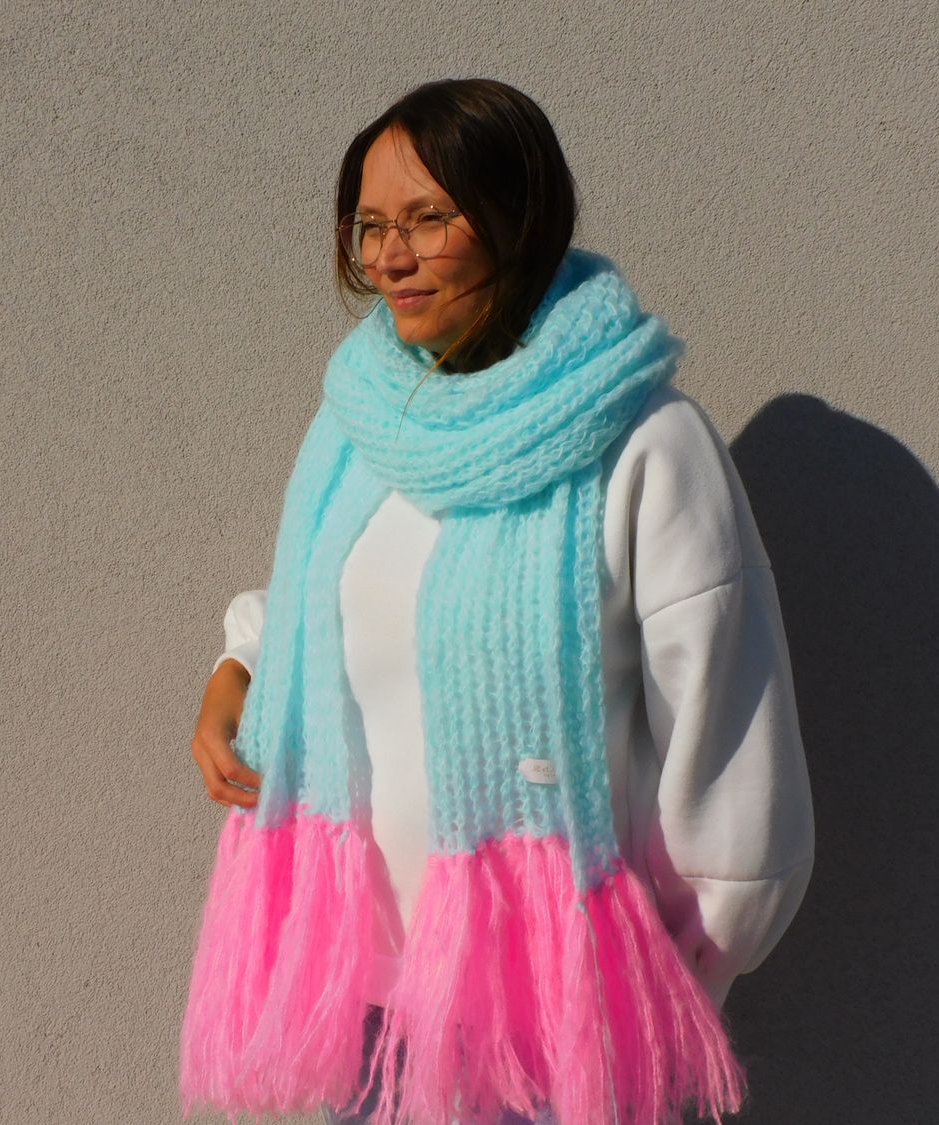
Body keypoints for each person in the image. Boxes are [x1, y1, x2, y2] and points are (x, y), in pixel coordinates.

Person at [181, 78, 815, 1125]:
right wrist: (237, 670)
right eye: (370, 227)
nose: (391, 257)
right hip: (366, 1005)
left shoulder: (644, 444)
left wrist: (652, 998)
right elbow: (326, 603)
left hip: (552, 1028)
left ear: (518, 220)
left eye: (427, 218)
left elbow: (731, 764)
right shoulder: (364, 419)